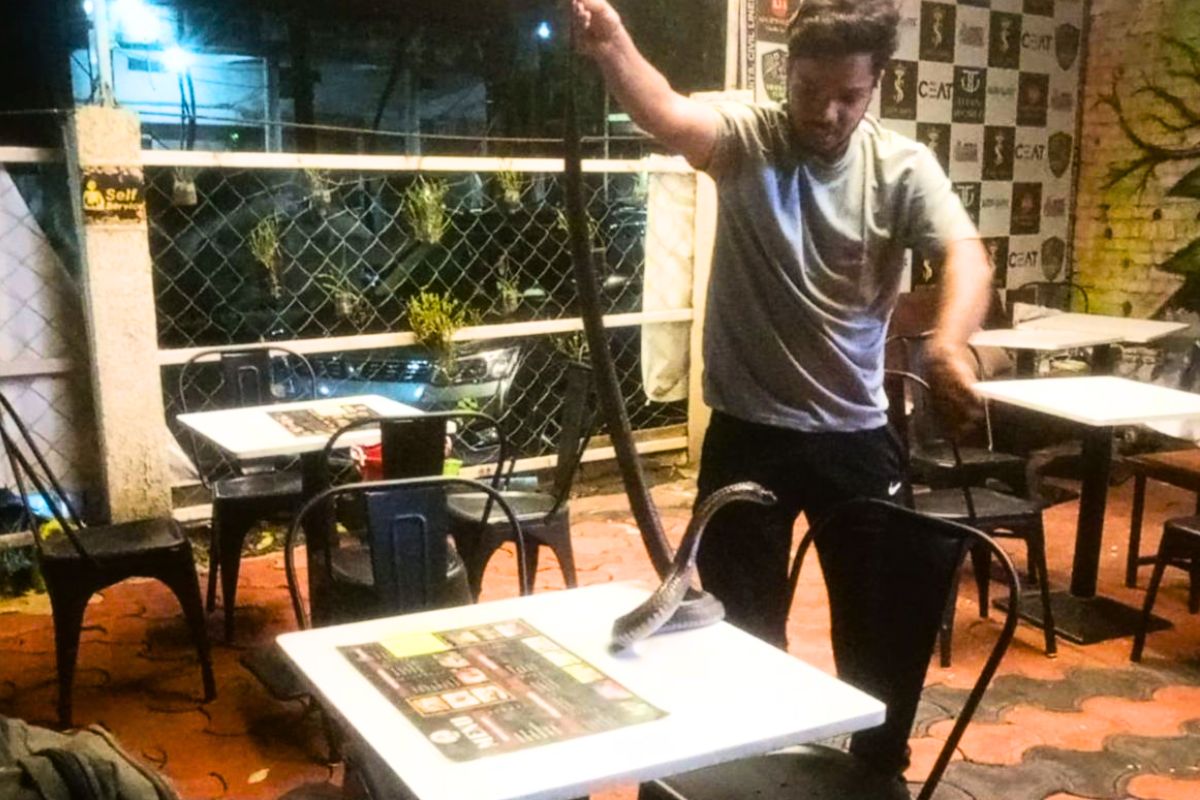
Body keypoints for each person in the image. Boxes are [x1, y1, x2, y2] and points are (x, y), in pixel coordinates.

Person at [571, 0, 993, 781]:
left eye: (848, 96)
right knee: (739, 634)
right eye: (809, 91)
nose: (826, 113)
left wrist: (947, 345)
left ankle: (878, 774)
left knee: (878, 631)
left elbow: (966, 256)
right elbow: (667, 113)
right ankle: (748, 776)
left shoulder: (902, 167)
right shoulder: (746, 139)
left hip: (856, 436)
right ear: (784, 75)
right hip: (749, 435)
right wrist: (614, 45)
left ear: (875, 85)